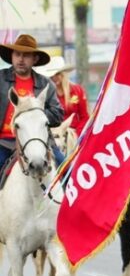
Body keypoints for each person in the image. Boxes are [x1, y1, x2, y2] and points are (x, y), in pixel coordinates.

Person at [0, 34, 64, 172]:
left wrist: (35, 114)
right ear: (12, 56)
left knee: (65, 167)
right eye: (17, 54)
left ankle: (69, 193)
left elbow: (57, 114)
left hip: (38, 140)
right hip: (3, 141)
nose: (21, 59)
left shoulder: (46, 84)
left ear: (35, 59)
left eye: (26, 55)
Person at [37, 55, 90, 135]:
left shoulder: (77, 90)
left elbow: (85, 116)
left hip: (75, 135)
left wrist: (76, 133)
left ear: (63, 74)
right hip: (54, 135)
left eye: (57, 74)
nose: (54, 77)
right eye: (51, 75)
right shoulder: (45, 94)